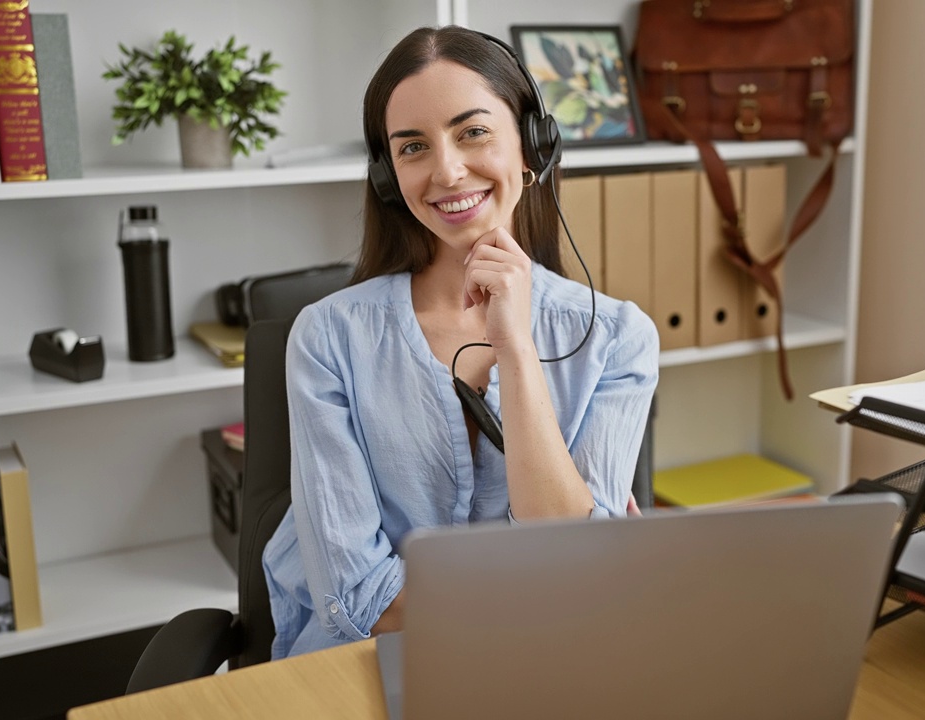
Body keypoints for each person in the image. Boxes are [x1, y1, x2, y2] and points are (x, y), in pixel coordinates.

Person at [262, 26, 658, 659]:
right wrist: (555, 586)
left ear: (532, 146)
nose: (446, 171)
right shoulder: (329, 337)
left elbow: (578, 562)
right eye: (413, 147)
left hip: (542, 664)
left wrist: (517, 351)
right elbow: (361, 598)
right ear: (389, 176)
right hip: (367, 663)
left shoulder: (617, 339)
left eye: (473, 132)